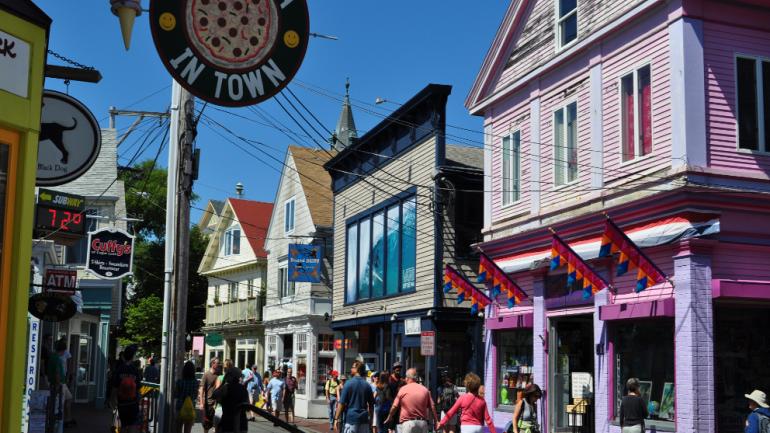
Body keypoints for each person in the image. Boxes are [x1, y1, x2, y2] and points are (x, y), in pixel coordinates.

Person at [384, 368, 438, 433]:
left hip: (408, 424)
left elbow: (394, 406)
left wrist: (389, 417)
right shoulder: (425, 390)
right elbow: (432, 407)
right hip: (422, 423)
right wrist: (436, 421)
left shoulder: (403, 389)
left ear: (407, 378)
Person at [335, 360, 374, 433]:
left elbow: (341, 403)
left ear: (357, 369)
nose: (351, 369)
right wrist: (371, 419)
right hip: (364, 420)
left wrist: (336, 418)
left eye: (352, 367)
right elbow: (371, 405)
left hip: (351, 419)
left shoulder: (348, 384)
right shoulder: (367, 385)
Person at [111, 345, 142, 433]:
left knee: (123, 425)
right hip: (133, 402)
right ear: (133, 357)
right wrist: (138, 400)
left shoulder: (119, 369)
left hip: (122, 403)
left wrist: (113, 402)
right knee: (133, 425)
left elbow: (114, 388)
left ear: (124, 356)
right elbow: (138, 389)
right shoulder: (135, 370)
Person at [214, 367, 249, 433]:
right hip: (242, 425)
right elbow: (247, 407)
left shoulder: (226, 388)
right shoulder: (243, 389)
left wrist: (223, 382)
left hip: (228, 424)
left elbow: (215, 395)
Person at [175, 361, 199, 433]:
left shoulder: (180, 381)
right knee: (187, 430)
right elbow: (195, 396)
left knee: (178, 429)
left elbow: (176, 394)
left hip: (180, 406)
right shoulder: (195, 382)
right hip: (190, 408)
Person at [199, 358, 221, 433]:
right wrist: (201, 403)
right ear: (212, 364)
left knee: (216, 425)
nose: (218, 365)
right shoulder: (206, 374)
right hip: (208, 404)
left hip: (216, 404)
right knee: (207, 426)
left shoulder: (218, 375)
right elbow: (201, 389)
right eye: (217, 363)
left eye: (218, 363)